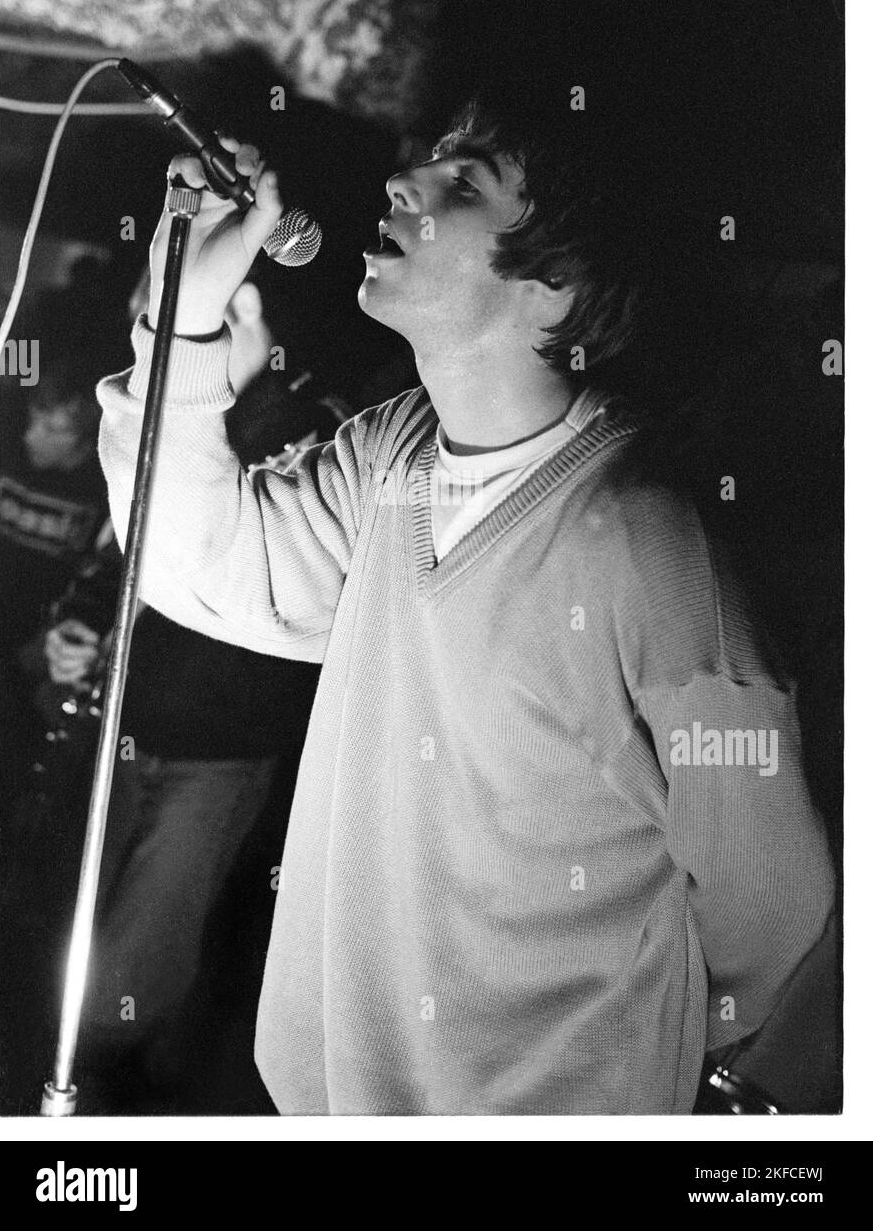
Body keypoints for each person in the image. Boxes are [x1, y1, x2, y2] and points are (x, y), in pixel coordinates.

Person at [96, 96, 835, 1115]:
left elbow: (777, 931)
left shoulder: (645, 548)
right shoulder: (389, 451)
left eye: (466, 181)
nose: (404, 182)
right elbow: (193, 562)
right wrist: (184, 315)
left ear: (553, 287)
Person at [43, 266, 346, 1112]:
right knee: (71, 909)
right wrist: (81, 624)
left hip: (222, 736)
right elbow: (119, 549)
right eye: (156, 299)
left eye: (219, 306)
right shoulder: (153, 409)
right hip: (128, 720)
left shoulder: (319, 434)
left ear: (261, 320)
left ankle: (108, 1097)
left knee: (149, 939)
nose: (162, 315)